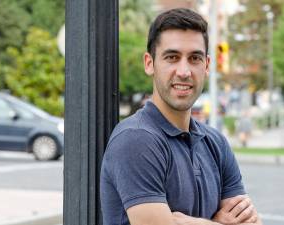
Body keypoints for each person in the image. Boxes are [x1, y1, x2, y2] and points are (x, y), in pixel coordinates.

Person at [100, 8, 263, 225]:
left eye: (194, 58)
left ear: (206, 65)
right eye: (172, 57)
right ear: (149, 63)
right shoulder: (136, 139)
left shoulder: (216, 143)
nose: (184, 71)